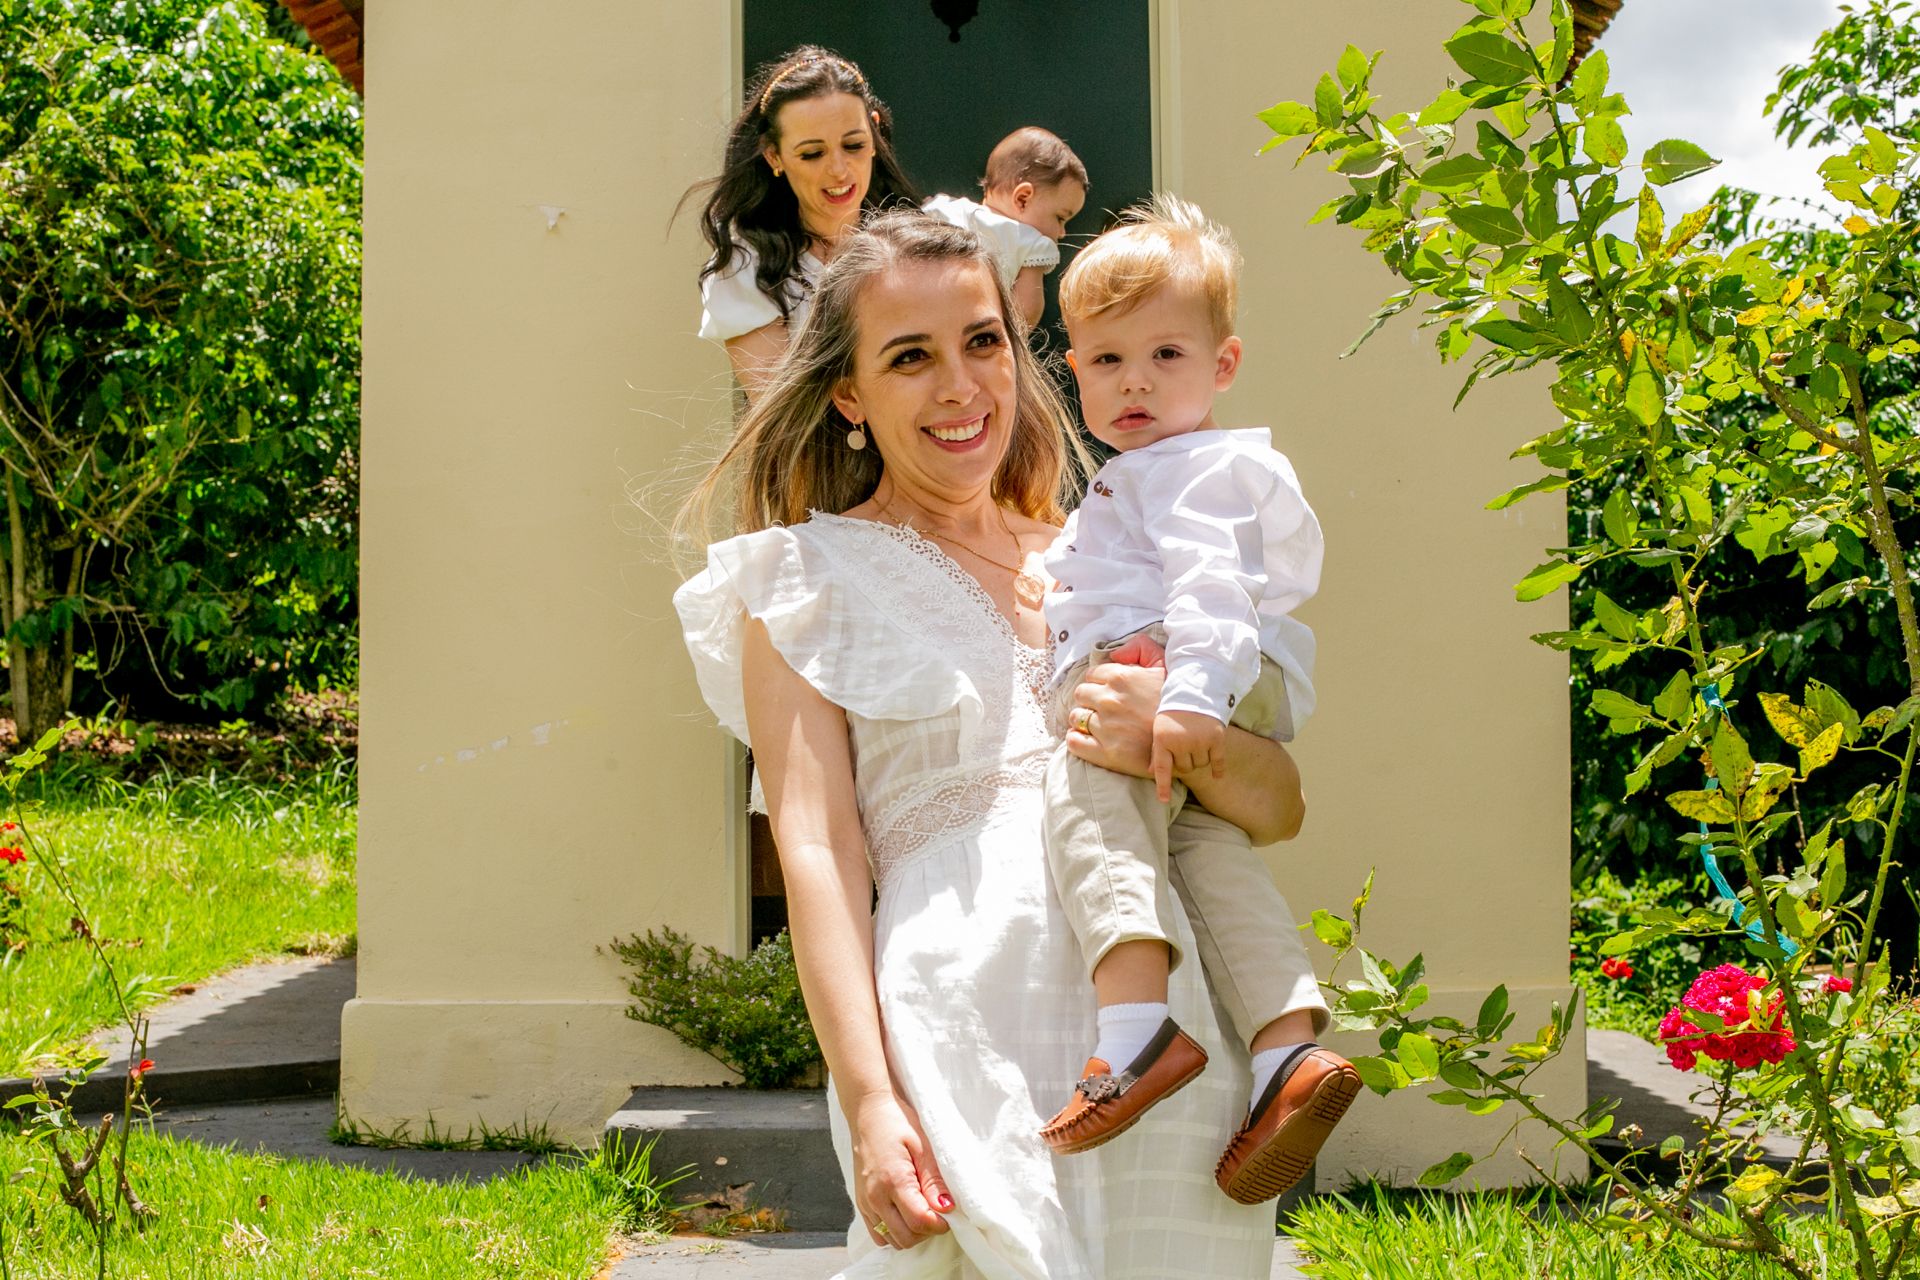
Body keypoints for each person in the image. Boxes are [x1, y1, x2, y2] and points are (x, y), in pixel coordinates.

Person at [674, 210, 1305, 1277]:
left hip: (1167, 1044)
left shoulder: (1112, 557)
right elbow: (819, 852)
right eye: (909, 357)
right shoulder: (799, 581)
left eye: (982, 341)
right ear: (848, 396)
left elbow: (1277, 805)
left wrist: (1174, 736)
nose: (960, 385)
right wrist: (872, 1099)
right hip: (959, 1029)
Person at [1034, 195, 1359, 1203]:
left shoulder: (1191, 471)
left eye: (1165, 355)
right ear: (1073, 369)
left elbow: (1212, 586)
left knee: (1090, 787)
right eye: (1104, 359)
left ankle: (1134, 1028)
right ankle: (1286, 1050)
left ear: (1223, 365)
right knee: (1204, 850)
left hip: (1179, 663)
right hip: (1202, 675)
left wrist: (1188, 700)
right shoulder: (1153, 472)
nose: (1132, 380)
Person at [688, 46, 918, 400]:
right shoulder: (746, 266)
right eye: (812, 154)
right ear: (773, 155)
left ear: (874, 136)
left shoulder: (918, 237)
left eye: (853, 145)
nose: (839, 170)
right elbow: (782, 414)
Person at [923, 127, 1088, 329]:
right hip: (976, 328)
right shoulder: (1031, 243)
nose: (1062, 232)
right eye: (1060, 218)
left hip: (925, 313)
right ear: (1022, 199)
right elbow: (1026, 314)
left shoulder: (947, 209)